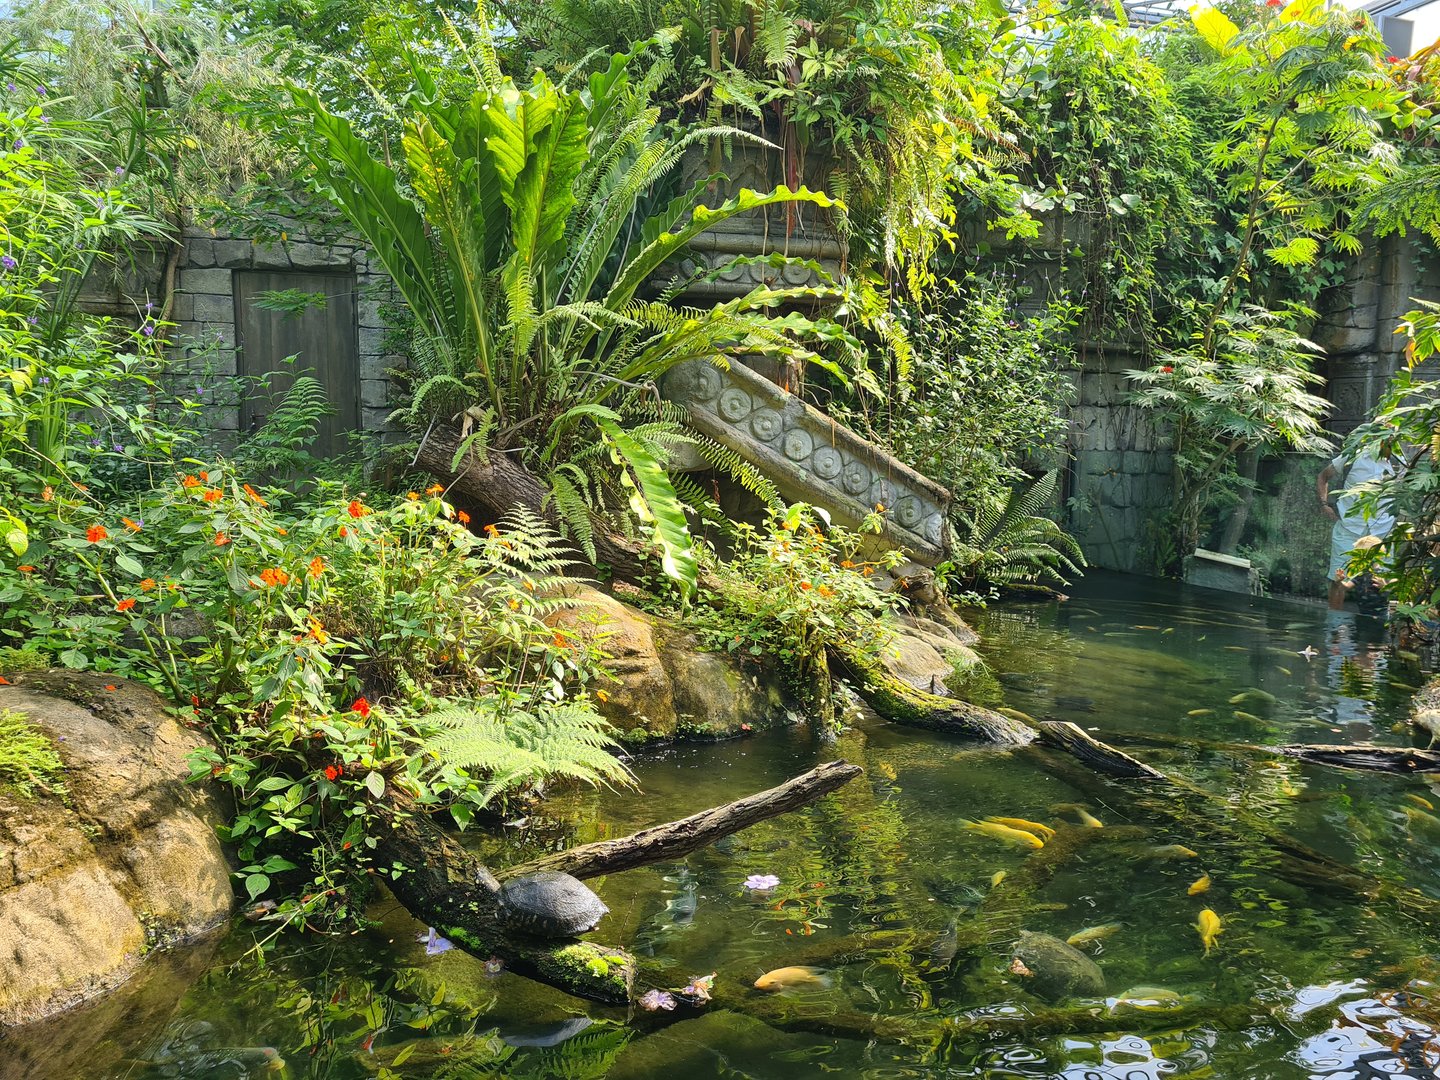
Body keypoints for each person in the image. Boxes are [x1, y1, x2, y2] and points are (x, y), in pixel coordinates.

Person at [1317, 447, 1396, 610]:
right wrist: (1324, 504)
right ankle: (1334, 624)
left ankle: (1380, 623)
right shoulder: (1353, 454)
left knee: (1384, 580)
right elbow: (1323, 476)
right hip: (1349, 528)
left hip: (1383, 531)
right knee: (1338, 580)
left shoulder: (1400, 460)